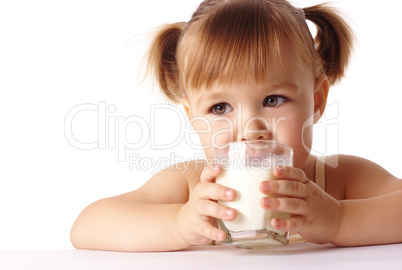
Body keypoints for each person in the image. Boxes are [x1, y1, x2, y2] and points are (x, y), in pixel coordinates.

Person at [70, 0, 402, 252]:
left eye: (273, 100)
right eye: (220, 107)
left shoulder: (337, 179)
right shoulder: (190, 187)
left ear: (316, 100)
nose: (250, 130)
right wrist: (179, 223)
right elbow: (86, 226)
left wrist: (339, 220)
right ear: (193, 116)